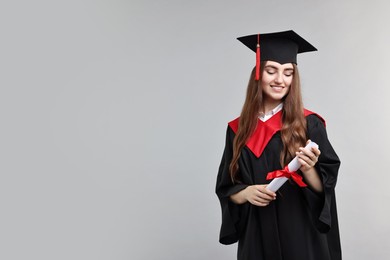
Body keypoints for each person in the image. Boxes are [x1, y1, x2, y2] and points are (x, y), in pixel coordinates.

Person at [215, 30, 341, 260]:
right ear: (258, 74)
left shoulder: (309, 124)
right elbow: (226, 187)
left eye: (288, 73)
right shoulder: (237, 130)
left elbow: (325, 189)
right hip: (257, 235)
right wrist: (246, 193)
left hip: (301, 234)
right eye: (271, 70)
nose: (279, 80)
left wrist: (308, 168)